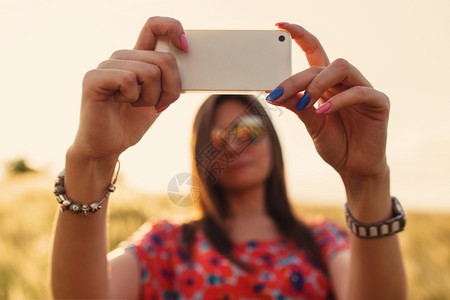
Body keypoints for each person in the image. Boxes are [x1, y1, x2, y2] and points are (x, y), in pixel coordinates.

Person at [51, 16, 407, 299]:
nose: (234, 146)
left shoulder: (321, 241)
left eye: (247, 130)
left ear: (272, 141)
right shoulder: (166, 245)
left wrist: (366, 181)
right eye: (218, 138)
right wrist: (92, 158)